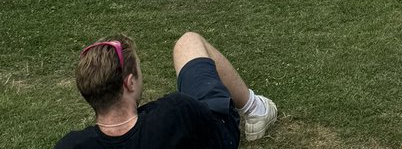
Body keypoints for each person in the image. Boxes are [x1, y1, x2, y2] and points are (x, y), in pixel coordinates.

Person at [53, 30, 277, 147]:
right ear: (130, 83)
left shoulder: (72, 145)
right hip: (215, 129)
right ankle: (256, 109)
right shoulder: (175, 112)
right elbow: (219, 130)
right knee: (188, 42)